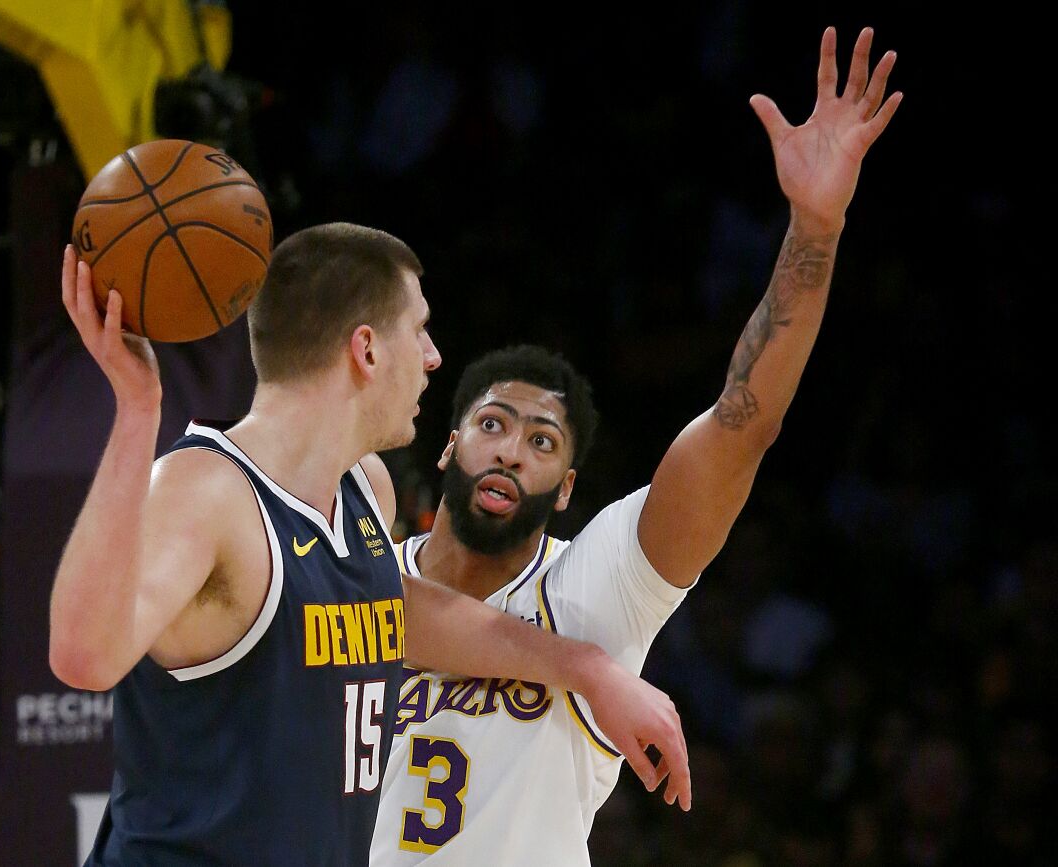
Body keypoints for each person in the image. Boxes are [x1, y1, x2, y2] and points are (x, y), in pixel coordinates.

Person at [370, 26, 902, 865]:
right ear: (446, 449)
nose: (511, 449)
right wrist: (580, 667)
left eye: (541, 440)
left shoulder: (591, 585)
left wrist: (815, 230)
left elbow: (743, 421)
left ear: (568, 487)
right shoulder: (361, 572)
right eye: (493, 424)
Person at [48, 222, 691, 866]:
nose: (434, 356)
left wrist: (587, 668)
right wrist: (136, 412)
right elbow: (85, 657)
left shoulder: (363, 490)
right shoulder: (208, 491)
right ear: (367, 350)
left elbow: (394, 608)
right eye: (419, 329)